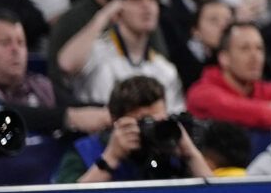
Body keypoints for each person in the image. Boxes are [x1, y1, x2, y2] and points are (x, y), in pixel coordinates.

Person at [60, 74, 210, 183]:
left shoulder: (172, 150)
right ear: (116, 122)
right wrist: (111, 158)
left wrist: (191, 155)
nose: (153, 129)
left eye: (159, 120)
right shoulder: (85, 151)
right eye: (145, 122)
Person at [187, 20, 271, 131]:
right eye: (245, 48)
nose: (255, 56)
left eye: (259, 48)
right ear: (224, 58)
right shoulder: (201, 94)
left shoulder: (264, 89)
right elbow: (243, 112)